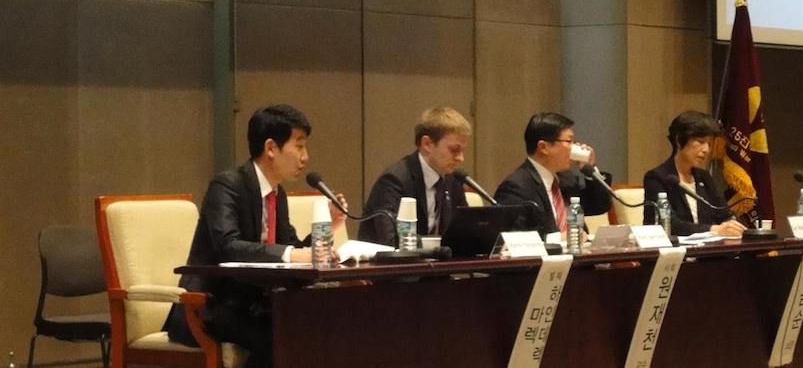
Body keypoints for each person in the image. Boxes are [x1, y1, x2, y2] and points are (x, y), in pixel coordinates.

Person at [164, 104, 347, 368]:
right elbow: (228, 246)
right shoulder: (227, 186)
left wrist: (328, 227)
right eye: (299, 146)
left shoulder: (276, 194)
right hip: (211, 305)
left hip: (255, 304)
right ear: (271, 148)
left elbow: (290, 248)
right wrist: (295, 254)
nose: (305, 157)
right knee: (280, 338)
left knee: (317, 328)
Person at [357, 107, 471, 246]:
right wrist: (436, 244)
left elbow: (465, 232)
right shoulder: (394, 181)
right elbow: (391, 240)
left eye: (462, 151)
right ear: (427, 144)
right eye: (454, 150)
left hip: (434, 259)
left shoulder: (452, 180)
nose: (460, 158)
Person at [494, 112, 610, 236]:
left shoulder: (566, 178)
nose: (574, 148)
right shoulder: (516, 187)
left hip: (578, 247)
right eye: (569, 141)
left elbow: (599, 206)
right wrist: (557, 239)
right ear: (543, 147)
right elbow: (513, 238)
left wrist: (589, 170)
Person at [643, 110, 745, 237]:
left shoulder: (704, 177)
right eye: (700, 142)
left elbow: (723, 213)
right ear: (679, 140)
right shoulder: (657, 178)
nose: (706, 150)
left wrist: (732, 225)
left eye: (709, 144)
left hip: (706, 248)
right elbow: (668, 225)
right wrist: (714, 229)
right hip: (675, 248)